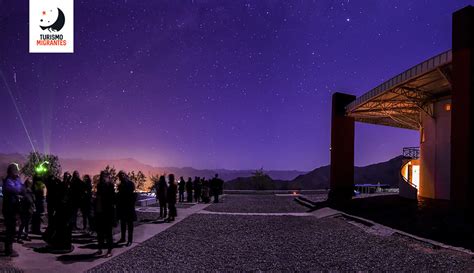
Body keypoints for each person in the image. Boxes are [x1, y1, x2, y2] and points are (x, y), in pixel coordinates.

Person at [2, 163, 23, 257]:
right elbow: (17, 189)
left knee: (12, 229)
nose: (17, 172)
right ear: (12, 171)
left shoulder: (12, 180)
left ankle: (9, 249)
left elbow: (21, 188)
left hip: (12, 209)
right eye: (16, 170)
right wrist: (18, 180)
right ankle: (8, 251)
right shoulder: (8, 181)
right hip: (9, 210)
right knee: (10, 230)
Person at [94, 171, 116, 258]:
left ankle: (109, 250)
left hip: (107, 212)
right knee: (99, 232)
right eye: (102, 176)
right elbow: (98, 196)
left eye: (104, 176)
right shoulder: (99, 185)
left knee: (108, 233)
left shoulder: (110, 186)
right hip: (100, 211)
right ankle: (100, 249)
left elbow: (112, 198)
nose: (103, 178)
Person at [116, 171, 137, 247]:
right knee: (123, 224)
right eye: (120, 175)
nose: (121, 176)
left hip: (129, 207)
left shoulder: (130, 183)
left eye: (123, 174)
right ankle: (123, 238)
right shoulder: (120, 185)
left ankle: (129, 240)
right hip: (123, 207)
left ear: (125, 175)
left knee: (130, 224)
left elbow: (133, 194)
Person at [18, 179, 35, 243]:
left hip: (30, 209)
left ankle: (26, 235)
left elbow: (33, 199)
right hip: (24, 209)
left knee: (27, 223)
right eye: (29, 183)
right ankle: (19, 237)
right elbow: (19, 196)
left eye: (31, 183)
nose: (30, 184)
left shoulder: (30, 190)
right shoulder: (23, 189)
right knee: (23, 223)